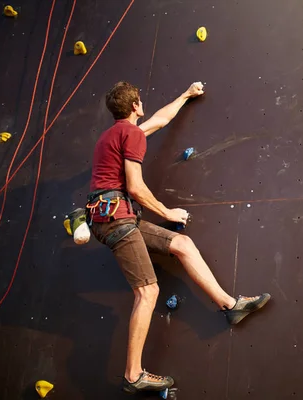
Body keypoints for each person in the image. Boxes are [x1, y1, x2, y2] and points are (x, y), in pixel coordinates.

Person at [87, 81, 270, 394]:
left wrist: (185, 95)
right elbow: (134, 186)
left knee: (182, 245)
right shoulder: (129, 134)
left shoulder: (114, 134)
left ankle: (231, 306)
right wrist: (168, 213)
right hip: (116, 218)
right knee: (148, 292)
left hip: (115, 217)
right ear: (135, 106)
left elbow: (159, 121)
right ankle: (133, 375)